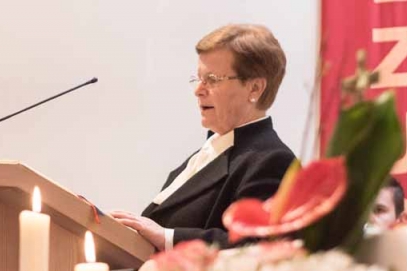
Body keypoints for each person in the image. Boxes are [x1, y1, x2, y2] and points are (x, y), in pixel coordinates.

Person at [110, 24, 295, 250]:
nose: (198, 90)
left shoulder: (271, 160)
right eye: (198, 78)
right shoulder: (213, 148)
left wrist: (167, 237)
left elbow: (255, 246)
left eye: (212, 79)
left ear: (254, 88)